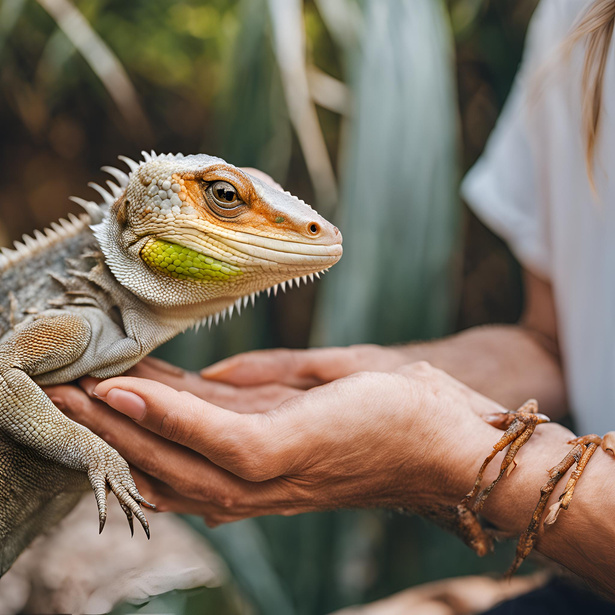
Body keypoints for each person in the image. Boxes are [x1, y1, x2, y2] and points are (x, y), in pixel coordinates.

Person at [48, 0, 615, 607]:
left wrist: (451, 455)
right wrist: (387, 378)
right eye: (225, 197)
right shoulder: (570, 19)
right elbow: (557, 344)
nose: (312, 228)